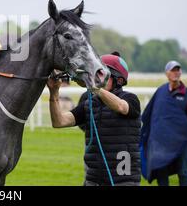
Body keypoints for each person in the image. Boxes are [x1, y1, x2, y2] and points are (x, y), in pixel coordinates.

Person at [48, 52, 142, 186]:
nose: (95, 77)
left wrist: (94, 87)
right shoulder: (89, 100)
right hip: (93, 180)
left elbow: (121, 107)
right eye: (95, 73)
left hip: (123, 180)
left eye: (101, 74)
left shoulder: (130, 99)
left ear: (118, 80)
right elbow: (59, 121)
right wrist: (54, 93)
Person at [140, 60, 187, 186]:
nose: (176, 72)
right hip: (161, 143)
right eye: (173, 70)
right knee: (162, 173)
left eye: (178, 70)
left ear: (181, 72)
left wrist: (180, 134)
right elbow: (151, 114)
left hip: (180, 143)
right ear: (167, 73)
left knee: (183, 172)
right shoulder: (161, 92)